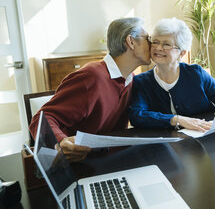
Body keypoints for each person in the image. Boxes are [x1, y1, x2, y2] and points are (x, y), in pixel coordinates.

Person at [29, 17, 151, 162]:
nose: (152, 44)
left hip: (108, 161)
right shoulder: (91, 77)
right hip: (81, 165)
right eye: (148, 38)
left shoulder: (130, 78)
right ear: (131, 42)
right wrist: (61, 142)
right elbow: (41, 118)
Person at [129, 17, 215, 132]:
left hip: (204, 138)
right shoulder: (142, 81)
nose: (158, 48)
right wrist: (176, 120)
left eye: (166, 44)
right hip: (164, 145)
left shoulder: (196, 74)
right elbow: (137, 115)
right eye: (155, 42)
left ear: (182, 53)